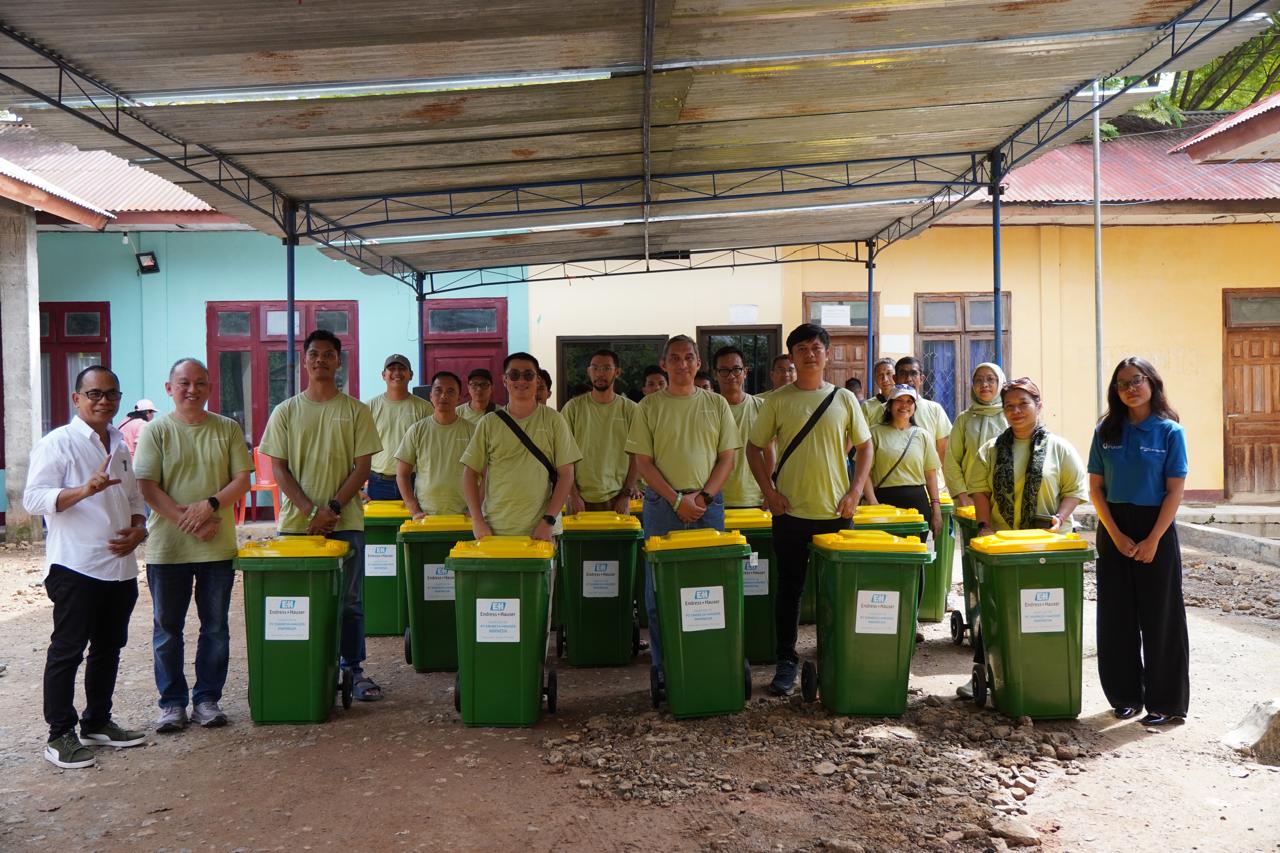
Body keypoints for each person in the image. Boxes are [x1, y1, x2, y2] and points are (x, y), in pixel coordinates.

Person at [24, 365, 148, 769]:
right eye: (94, 394)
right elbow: (34, 499)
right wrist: (83, 490)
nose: (103, 401)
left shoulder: (120, 443)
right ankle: (60, 734)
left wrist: (138, 529)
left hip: (119, 568)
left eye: (111, 394)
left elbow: (132, 501)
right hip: (75, 566)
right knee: (68, 651)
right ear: (76, 399)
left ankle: (97, 721)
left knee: (109, 648)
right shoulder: (57, 443)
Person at [259, 329, 384, 701]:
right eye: (314, 354)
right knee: (302, 600)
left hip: (346, 524)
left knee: (349, 601)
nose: (320, 360)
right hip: (297, 528)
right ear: (305, 360)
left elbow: (363, 468)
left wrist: (330, 509)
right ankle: (309, 665)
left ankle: (352, 669)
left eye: (328, 354)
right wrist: (309, 510)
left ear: (338, 361)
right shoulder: (286, 411)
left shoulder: (355, 410)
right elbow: (278, 468)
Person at [747, 324, 872, 695]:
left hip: (837, 511)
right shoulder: (777, 400)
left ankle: (837, 655)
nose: (810, 354)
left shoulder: (845, 400)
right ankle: (786, 660)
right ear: (792, 356)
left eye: (816, 347)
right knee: (789, 589)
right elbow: (754, 448)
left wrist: (854, 493)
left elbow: (865, 448)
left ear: (827, 353)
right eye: (801, 348)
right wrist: (768, 492)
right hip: (790, 513)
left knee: (837, 589)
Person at [133, 358, 253, 732]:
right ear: (169, 388)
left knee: (215, 627)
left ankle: (206, 699)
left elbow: (241, 480)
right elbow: (148, 486)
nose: (192, 389)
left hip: (216, 546)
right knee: (167, 629)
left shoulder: (227, 429)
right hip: (169, 549)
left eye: (200, 383)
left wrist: (210, 505)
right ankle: (171, 703)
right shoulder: (157, 431)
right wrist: (187, 521)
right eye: (183, 383)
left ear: (209, 388)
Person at [960, 377, 1089, 699]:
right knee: (997, 614)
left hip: (1049, 545)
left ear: (1038, 406)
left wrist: (1060, 517)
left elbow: (1075, 490)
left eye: (1023, 404)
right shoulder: (990, 450)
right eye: (1009, 406)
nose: (1016, 411)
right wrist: (985, 525)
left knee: (1045, 613)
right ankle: (986, 672)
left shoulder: (1059, 448)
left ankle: (1048, 677)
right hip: (1004, 546)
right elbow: (980, 490)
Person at [628, 335, 739, 687]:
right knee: (659, 594)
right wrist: (677, 501)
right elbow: (643, 463)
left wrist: (703, 498)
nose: (681, 364)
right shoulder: (648, 407)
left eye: (688, 357)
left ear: (697, 363)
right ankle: (665, 669)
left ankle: (707, 661)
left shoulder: (716, 404)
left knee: (708, 589)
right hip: (663, 507)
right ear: (664, 364)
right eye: (674, 358)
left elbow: (727, 458)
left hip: (708, 506)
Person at [1088, 358, 1189, 726]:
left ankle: (1166, 703)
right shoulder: (1106, 431)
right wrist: (1115, 534)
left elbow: (1175, 491)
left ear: (1152, 383)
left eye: (1136, 380)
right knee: (1116, 615)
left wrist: (1152, 540)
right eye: (1122, 383)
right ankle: (1125, 696)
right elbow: (1096, 489)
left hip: (1156, 526)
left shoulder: (1169, 432)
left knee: (1161, 617)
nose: (1130, 388)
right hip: (1114, 525)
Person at [461, 352, 581, 540]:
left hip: (542, 530)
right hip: (496, 528)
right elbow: (469, 473)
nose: (521, 380)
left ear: (537, 379)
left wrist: (548, 521)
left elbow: (567, 474)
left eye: (528, 375)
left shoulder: (554, 420)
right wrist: (477, 520)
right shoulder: (489, 423)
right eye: (514, 375)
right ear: (504, 380)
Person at [562, 349, 639, 515]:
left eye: (606, 368)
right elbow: (563, 456)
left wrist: (626, 495)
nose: (600, 374)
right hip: (579, 499)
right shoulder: (573, 408)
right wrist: (573, 495)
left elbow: (637, 456)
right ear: (589, 371)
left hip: (617, 498)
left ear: (617, 372)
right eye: (595, 368)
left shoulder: (631, 410)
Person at [395, 371, 475, 519]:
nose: (444, 396)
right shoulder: (417, 430)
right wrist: (414, 510)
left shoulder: (472, 431)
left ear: (459, 398)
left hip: (464, 516)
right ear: (430, 396)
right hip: (426, 516)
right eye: (438, 391)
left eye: (450, 391)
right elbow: (401, 474)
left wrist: (475, 511)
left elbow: (486, 475)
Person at [864, 385, 942, 533]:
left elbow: (931, 476)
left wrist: (936, 511)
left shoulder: (922, 435)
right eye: (899, 400)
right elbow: (864, 473)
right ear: (889, 405)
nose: (904, 405)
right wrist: (873, 503)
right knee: (887, 554)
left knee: (915, 553)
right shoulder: (874, 433)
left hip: (917, 505)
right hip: (883, 505)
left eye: (909, 401)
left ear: (914, 407)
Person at [365, 354, 433, 501]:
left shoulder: (425, 408)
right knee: (380, 525)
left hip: (414, 481)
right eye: (392, 369)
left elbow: (432, 448)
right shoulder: (369, 407)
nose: (397, 372)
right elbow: (356, 447)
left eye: (402, 368)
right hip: (378, 483)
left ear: (411, 375)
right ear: (383, 375)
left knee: (414, 522)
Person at [942, 363, 1008, 507]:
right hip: (971, 500)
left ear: (1001, 383)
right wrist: (963, 496)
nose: (984, 384)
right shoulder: (964, 419)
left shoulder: (1010, 415)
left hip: (1007, 498)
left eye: (990, 379)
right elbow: (951, 461)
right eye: (978, 380)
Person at [714, 345, 769, 509]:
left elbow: (771, 452)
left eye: (736, 369)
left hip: (756, 499)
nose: (731, 375)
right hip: (715, 499)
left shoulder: (763, 407)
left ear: (745, 371)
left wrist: (769, 491)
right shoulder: (706, 410)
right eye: (724, 370)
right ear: (715, 374)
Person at [895, 356, 952, 466]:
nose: (908, 379)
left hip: (929, 480)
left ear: (921, 379)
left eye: (913, 374)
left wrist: (947, 481)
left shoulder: (935, 409)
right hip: (893, 481)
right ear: (895, 379)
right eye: (903, 374)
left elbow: (943, 449)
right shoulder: (883, 409)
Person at [861, 357, 897, 426]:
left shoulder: (904, 403)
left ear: (896, 376)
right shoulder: (867, 406)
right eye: (880, 375)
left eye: (889, 373)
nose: (885, 379)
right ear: (875, 379)